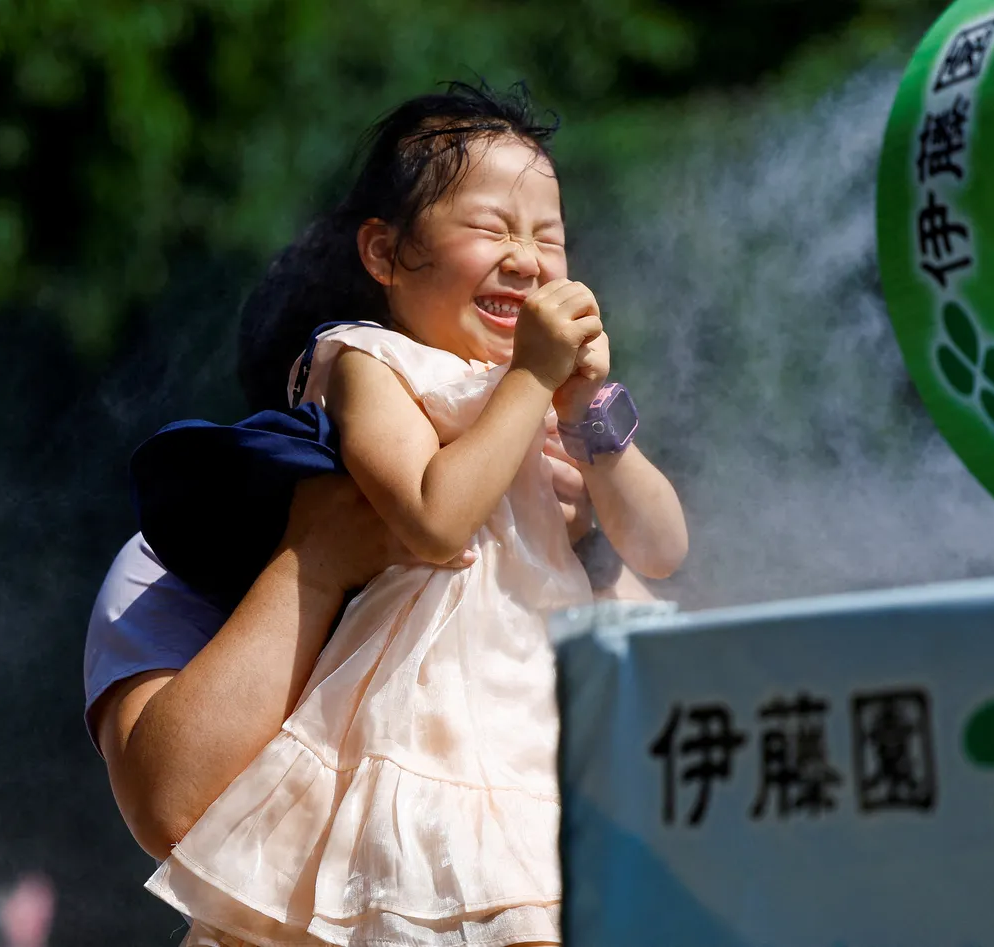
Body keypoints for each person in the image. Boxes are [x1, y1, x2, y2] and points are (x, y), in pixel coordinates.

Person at [135, 81, 687, 946]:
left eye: (549, 236)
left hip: (545, 707)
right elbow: (434, 517)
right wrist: (533, 382)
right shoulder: (371, 361)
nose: (528, 259)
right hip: (432, 715)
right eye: (492, 228)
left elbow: (659, 547)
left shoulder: (545, 394)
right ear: (385, 253)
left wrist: (595, 415)